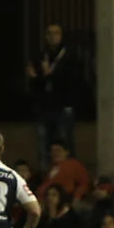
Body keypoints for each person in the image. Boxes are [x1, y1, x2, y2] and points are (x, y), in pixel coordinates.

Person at [27, 23, 77, 171]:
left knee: (64, 145)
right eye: (49, 33)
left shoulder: (69, 56)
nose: (52, 36)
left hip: (63, 106)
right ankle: (46, 179)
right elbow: (36, 80)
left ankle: (67, 176)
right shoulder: (41, 55)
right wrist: (35, 77)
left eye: (56, 33)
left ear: (61, 36)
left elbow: (72, 81)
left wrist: (50, 75)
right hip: (44, 107)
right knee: (43, 147)